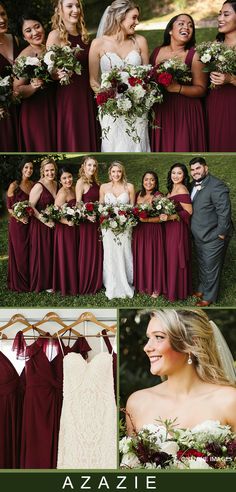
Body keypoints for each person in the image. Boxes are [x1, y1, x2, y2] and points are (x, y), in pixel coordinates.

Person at [126, 309, 236, 437]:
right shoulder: (137, 403)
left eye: (159, 337)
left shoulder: (229, 401)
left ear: (191, 343)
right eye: (149, 338)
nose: (147, 348)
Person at [89, 0, 150, 152]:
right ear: (120, 17)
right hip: (111, 111)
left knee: (138, 146)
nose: (137, 22)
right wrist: (110, 101)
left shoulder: (140, 41)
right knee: (113, 146)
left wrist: (138, 98)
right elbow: (93, 81)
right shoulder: (98, 44)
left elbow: (147, 77)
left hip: (137, 109)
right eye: (134, 17)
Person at [46, 0, 98, 152]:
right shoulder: (55, 35)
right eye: (69, 6)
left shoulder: (85, 36)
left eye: (77, 6)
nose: (75, 10)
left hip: (87, 93)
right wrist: (57, 74)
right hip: (69, 96)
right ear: (59, 10)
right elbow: (49, 69)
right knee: (74, 135)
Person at [150, 14, 207, 152]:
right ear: (170, 30)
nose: (186, 27)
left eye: (190, 25)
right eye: (181, 23)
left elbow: (202, 89)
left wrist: (177, 88)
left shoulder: (195, 55)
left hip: (186, 112)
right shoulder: (157, 52)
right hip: (162, 111)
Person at [189, 156, 233, 306]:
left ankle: (209, 297)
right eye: (193, 170)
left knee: (211, 266)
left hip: (214, 235)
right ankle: (202, 288)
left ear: (206, 168)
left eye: (198, 168)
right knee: (202, 262)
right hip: (199, 234)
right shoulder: (192, 185)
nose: (195, 172)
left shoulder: (216, 186)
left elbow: (224, 212)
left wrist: (220, 233)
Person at [13, 12, 57, 151]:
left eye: (37, 26)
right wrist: (33, 86)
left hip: (55, 106)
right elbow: (16, 90)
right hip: (36, 112)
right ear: (24, 36)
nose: (35, 32)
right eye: (28, 31)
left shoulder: (53, 47)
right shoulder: (24, 57)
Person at [99, 161, 135, 299]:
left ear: (122, 172)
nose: (116, 174)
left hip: (125, 226)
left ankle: (126, 281)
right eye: (113, 171)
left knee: (124, 251)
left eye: (119, 171)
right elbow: (101, 206)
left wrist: (124, 217)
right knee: (110, 253)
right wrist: (106, 217)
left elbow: (132, 207)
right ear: (110, 173)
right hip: (107, 227)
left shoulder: (129, 187)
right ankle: (111, 282)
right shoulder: (103, 187)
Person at [206, 1, 236, 151]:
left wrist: (231, 79)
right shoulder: (216, 43)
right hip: (215, 102)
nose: (220, 18)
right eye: (219, 14)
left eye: (226, 14)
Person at [132, 171, 166, 298]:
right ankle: (142, 284)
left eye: (152, 180)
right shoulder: (138, 195)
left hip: (153, 230)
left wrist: (147, 220)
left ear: (156, 182)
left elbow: (162, 218)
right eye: (146, 179)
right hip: (139, 230)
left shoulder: (158, 196)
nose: (148, 182)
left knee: (153, 257)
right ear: (142, 181)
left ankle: (156, 287)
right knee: (141, 256)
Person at [161, 163, 192, 301]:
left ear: (184, 175)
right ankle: (171, 287)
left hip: (177, 228)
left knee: (175, 257)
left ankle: (177, 291)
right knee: (169, 257)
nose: (176, 176)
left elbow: (189, 211)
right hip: (169, 228)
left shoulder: (182, 189)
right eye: (173, 173)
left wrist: (171, 216)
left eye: (179, 173)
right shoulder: (171, 189)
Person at [29, 157, 58, 293]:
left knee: (52, 251)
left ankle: (53, 279)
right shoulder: (38, 186)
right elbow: (30, 206)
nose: (50, 173)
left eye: (52, 170)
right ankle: (44, 283)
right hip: (40, 225)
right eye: (47, 170)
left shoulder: (56, 184)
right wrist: (43, 219)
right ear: (42, 171)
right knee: (43, 252)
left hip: (53, 223)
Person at [75, 156, 103, 294]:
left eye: (94, 166)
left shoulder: (95, 181)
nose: (92, 168)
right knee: (88, 251)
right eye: (89, 165)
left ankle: (96, 281)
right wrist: (86, 214)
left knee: (97, 250)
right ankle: (86, 282)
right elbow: (78, 203)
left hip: (96, 221)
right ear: (84, 166)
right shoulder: (80, 182)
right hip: (87, 223)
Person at [7, 158, 34, 292]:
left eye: (31, 168)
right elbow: (9, 208)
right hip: (17, 225)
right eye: (26, 168)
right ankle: (20, 281)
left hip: (30, 223)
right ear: (21, 169)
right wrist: (20, 217)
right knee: (20, 252)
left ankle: (30, 279)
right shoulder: (14, 185)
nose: (29, 170)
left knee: (30, 251)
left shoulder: (33, 184)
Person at [53, 166, 79, 296]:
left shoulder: (74, 189)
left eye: (69, 177)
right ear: (60, 180)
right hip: (64, 230)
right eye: (64, 178)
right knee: (68, 255)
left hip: (74, 228)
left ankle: (76, 282)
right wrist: (67, 222)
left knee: (74, 255)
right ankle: (67, 285)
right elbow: (55, 214)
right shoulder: (62, 193)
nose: (68, 180)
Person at [0, 1, 19, 151]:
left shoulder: (15, 39)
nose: (1, 20)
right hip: (3, 112)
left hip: (22, 106)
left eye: (2, 14)